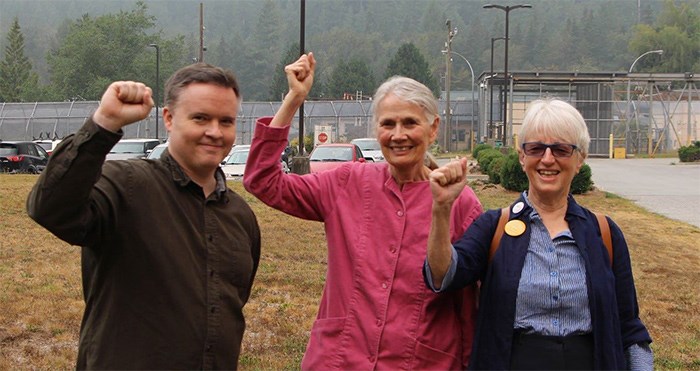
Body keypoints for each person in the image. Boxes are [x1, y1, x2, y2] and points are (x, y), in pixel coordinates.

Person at [243, 53, 482, 369]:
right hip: (340, 359)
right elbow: (263, 180)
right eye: (388, 124)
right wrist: (294, 99)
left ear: (433, 128)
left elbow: (470, 306)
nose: (398, 135)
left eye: (410, 122)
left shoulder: (460, 203)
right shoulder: (347, 182)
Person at [26, 63, 261, 369]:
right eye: (200, 118)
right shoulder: (127, 185)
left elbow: (232, 306)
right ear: (169, 118)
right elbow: (50, 208)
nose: (214, 132)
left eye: (226, 121)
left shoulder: (241, 217)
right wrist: (104, 124)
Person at [425, 98, 653, 370]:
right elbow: (443, 276)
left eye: (561, 149)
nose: (547, 159)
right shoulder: (494, 227)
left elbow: (629, 327)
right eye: (536, 148)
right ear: (522, 157)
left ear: (580, 159)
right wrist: (441, 208)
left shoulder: (604, 233)